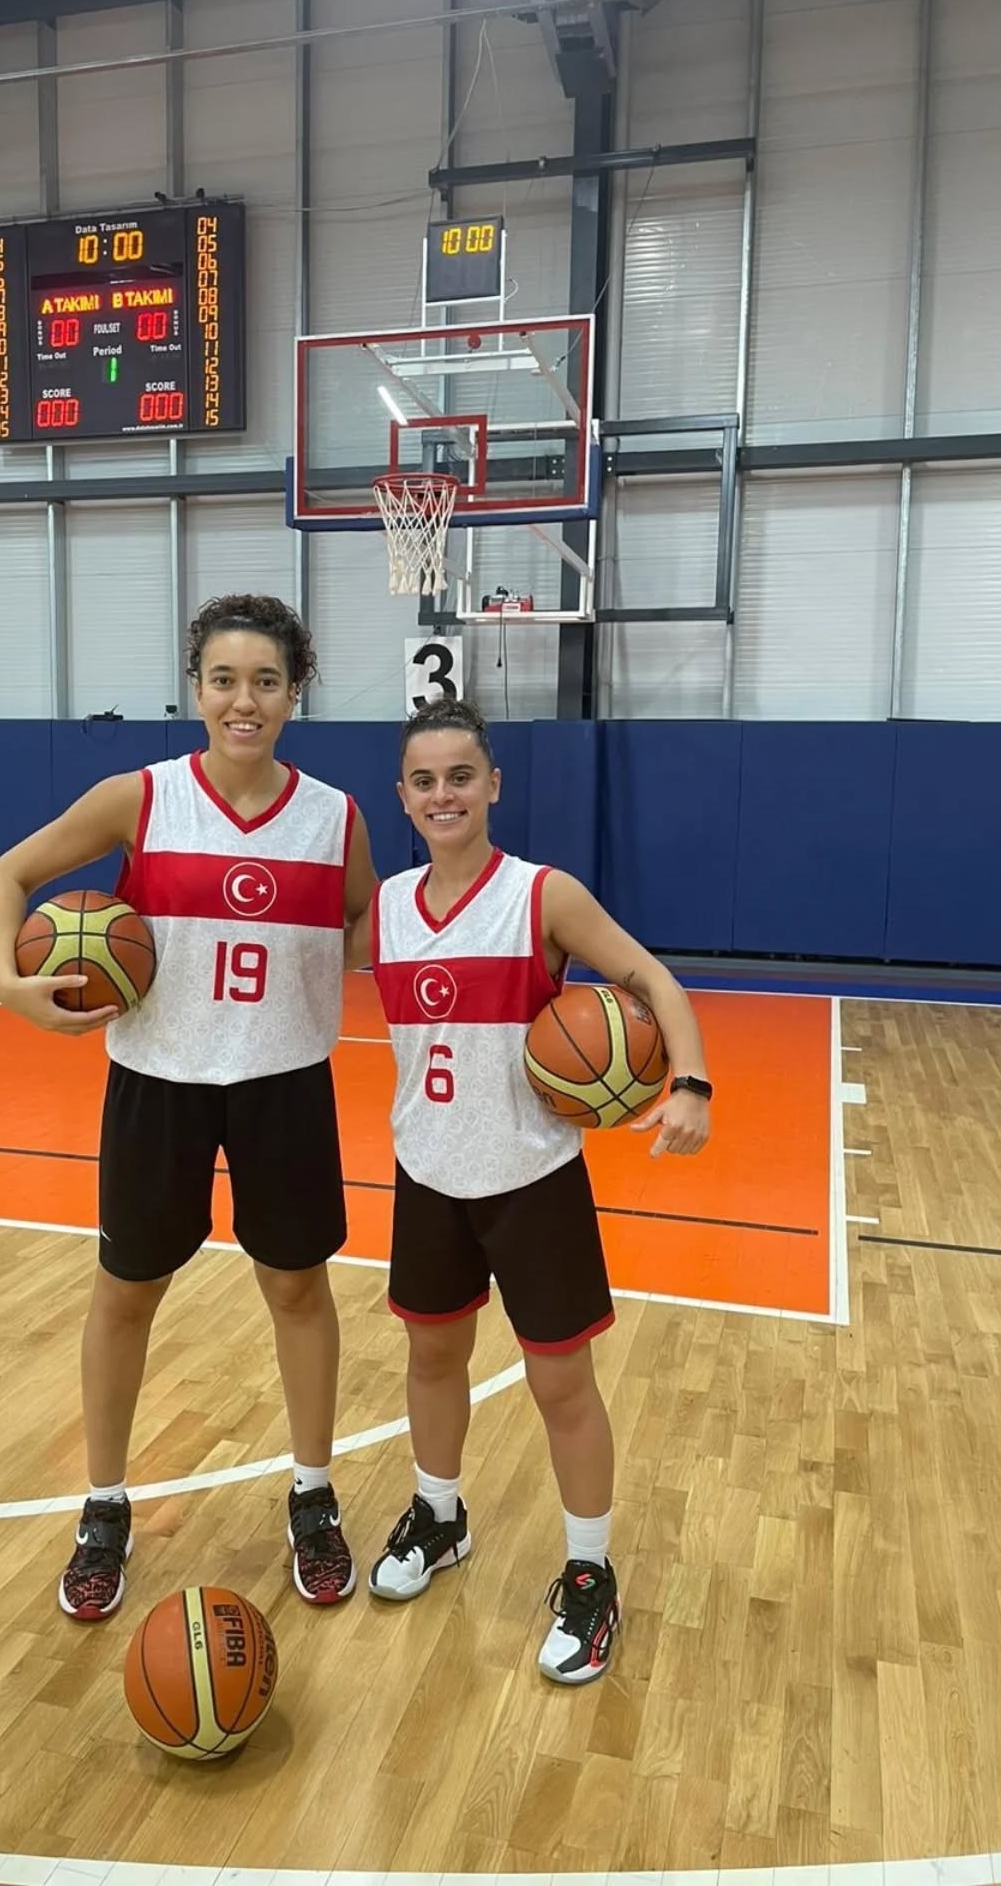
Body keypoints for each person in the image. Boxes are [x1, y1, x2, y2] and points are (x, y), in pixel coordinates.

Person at [0, 594, 376, 1621]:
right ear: (195, 688)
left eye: (267, 681)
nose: (245, 701)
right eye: (224, 679)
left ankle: (313, 1494)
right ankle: (104, 1508)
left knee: (298, 1292)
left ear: (295, 692)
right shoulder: (141, 797)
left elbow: (365, 926)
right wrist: (9, 982)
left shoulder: (335, 816)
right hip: (158, 1082)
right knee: (126, 1293)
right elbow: (8, 875)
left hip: (286, 1082)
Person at [347, 696, 711, 1684]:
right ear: (402, 797)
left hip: (532, 1179)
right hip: (428, 1172)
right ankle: (440, 1514)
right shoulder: (387, 909)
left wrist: (691, 1082)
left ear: (494, 785)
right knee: (432, 1357)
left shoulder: (542, 896)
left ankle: (590, 1573)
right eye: (425, 781)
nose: (444, 795)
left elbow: (653, 980)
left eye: (461, 776)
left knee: (560, 1384)